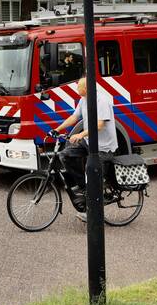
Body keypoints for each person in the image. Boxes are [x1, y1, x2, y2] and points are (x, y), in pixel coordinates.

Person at [50, 76, 118, 220]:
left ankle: (93, 210)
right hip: (89, 141)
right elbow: (74, 117)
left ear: (86, 88)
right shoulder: (83, 100)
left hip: (103, 146)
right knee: (65, 155)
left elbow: (100, 125)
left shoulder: (102, 100)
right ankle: (85, 187)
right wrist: (57, 129)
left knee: (91, 172)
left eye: (78, 86)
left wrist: (80, 134)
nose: (76, 89)